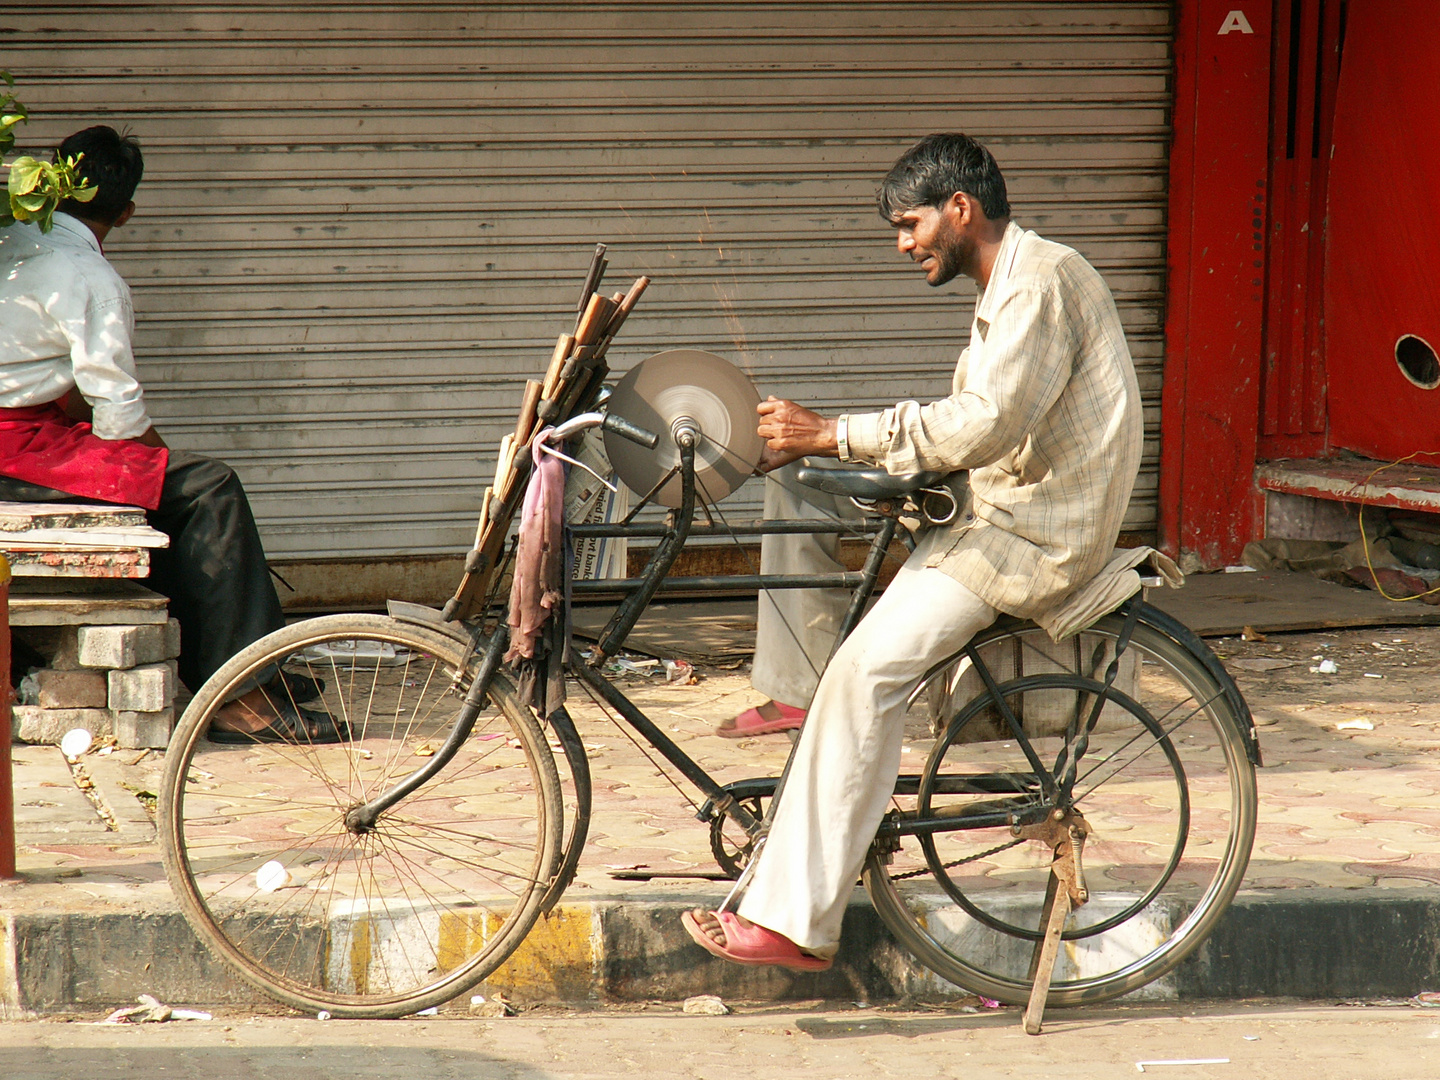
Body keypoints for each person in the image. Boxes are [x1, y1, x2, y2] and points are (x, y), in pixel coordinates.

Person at [683, 132, 1143, 969]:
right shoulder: (1013, 282)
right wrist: (824, 451)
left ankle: (796, 923)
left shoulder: (1040, 284)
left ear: (959, 210)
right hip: (995, 511)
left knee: (867, 673)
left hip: (1030, 534)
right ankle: (806, 751)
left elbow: (983, 424)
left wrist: (835, 431)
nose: (903, 245)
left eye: (910, 224)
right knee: (808, 500)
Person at [0, 125, 338, 742]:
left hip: (27, 433)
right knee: (209, 488)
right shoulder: (89, 279)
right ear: (125, 212)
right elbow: (119, 416)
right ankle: (243, 701)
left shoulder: (10, 239)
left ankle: (247, 667)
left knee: (173, 487)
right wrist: (156, 460)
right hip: (15, 450)